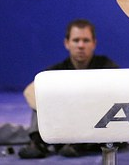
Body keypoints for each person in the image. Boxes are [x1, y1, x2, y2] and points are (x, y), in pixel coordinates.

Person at [18, 19, 119, 159]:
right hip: (64, 123)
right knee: (41, 95)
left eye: (86, 40)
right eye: (76, 40)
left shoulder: (107, 67)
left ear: (94, 43)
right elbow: (29, 91)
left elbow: (117, 95)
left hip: (95, 126)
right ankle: (37, 143)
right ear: (67, 43)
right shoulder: (56, 71)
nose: (81, 45)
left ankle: (79, 144)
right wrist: (59, 108)